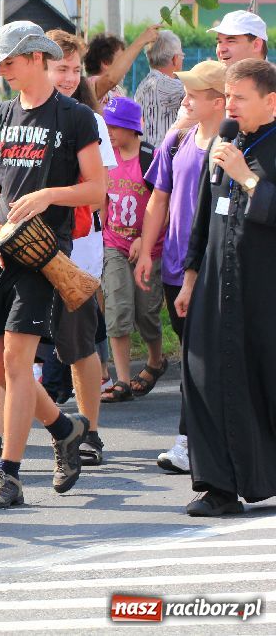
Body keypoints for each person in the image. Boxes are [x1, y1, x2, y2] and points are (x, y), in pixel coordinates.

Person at [0, 22, 104, 508]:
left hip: (44, 255)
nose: (2, 70)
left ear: (36, 57)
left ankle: (9, 475)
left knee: (16, 362)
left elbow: (97, 189)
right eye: (0, 63)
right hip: (0, 250)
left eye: (9, 61)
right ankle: (65, 428)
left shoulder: (75, 116)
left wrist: (48, 195)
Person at [177, 59, 276, 516]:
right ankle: (217, 486)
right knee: (205, 379)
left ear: (271, 100)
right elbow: (203, 217)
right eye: (228, 96)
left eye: (240, 98)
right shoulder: (225, 143)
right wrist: (190, 279)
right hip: (216, 284)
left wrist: (248, 179)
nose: (230, 105)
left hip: (264, 291)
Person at [135, 60, 228, 475]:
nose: (184, 100)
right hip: (176, 268)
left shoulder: (233, 147)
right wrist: (146, 252)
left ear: (219, 102)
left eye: (193, 94)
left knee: (202, 358)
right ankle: (202, 439)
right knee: (194, 355)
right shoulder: (176, 141)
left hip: (217, 267)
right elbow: (158, 198)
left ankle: (192, 440)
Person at [42, 29, 122, 466]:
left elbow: (98, 194)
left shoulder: (89, 121)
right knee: (10, 346)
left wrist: (50, 199)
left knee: (79, 342)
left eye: (75, 69)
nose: (70, 77)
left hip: (78, 245)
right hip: (28, 245)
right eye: (62, 69)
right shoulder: (14, 116)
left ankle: (88, 430)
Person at [99, 97, 165, 403]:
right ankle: (123, 380)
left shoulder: (151, 157)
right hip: (114, 244)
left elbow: (163, 206)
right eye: (107, 126)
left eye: (115, 127)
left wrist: (144, 239)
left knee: (146, 312)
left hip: (150, 249)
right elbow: (103, 198)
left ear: (132, 128)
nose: (110, 133)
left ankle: (155, 360)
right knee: (117, 309)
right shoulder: (106, 157)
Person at [132, 30, 185, 149]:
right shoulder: (172, 87)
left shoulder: (143, 85)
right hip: (164, 155)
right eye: (182, 55)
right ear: (174, 59)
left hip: (145, 153)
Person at [84, 26, 161, 106]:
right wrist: (143, 40)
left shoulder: (117, 90)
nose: (126, 67)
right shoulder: (90, 86)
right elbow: (110, 79)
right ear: (105, 62)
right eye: (121, 60)